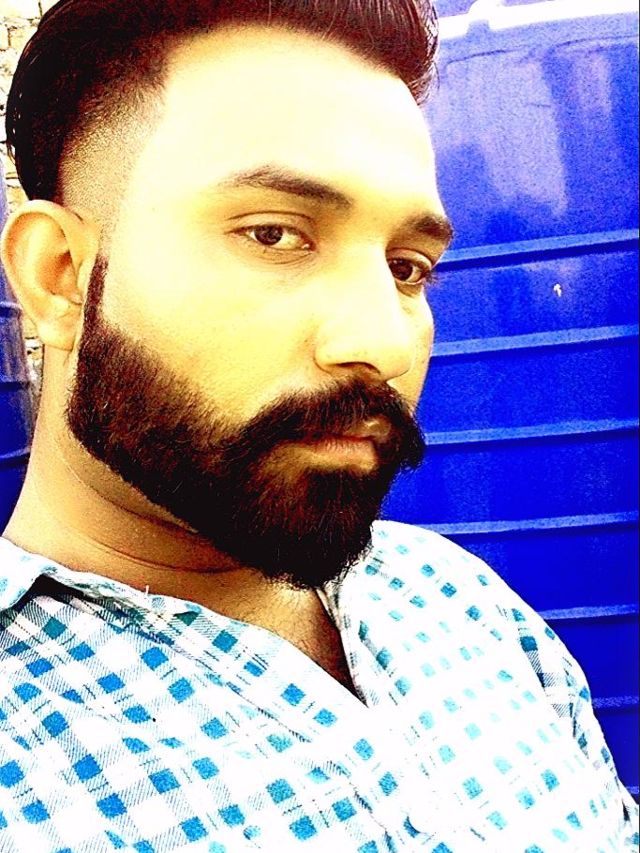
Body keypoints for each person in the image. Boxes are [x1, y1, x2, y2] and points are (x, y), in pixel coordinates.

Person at [0, 0, 637, 850]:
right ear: (60, 276)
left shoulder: (463, 602)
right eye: (275, 235)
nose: (383, 343)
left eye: (408, 268)